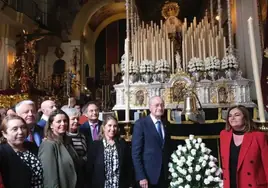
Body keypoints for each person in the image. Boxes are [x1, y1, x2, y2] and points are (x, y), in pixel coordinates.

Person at [220, 105, 268, 188]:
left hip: (253, 184)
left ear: (245, 118)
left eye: (237, 115)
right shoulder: (224, 135)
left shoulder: (258, 136)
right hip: (231, 184)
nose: (232, 118)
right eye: (230, 116)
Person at [132, 96, 170, 188]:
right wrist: (141, 176)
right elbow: (135, 153)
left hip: (164, 175)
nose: (160, 108)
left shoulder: (166, 124)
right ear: (150, 107)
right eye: (157, 105)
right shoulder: (141, 124)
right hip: (148, 177)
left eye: (162, 105)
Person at [85, 115, 131, 188]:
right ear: (104, 127)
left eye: (115, 126)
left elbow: (128, 167)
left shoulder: (122, 144)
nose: (112, 129)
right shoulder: (95, 145)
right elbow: (89, 169)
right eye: (109, 125)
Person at [0, 115, 43, 187]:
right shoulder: (2, 152)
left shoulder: (32, 147)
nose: (20, 132)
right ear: (4, 134)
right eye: (15, 129)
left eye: (23, 127)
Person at [38, 109, 77, 188]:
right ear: (51, 125)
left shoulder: (68, 141)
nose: (63, 124)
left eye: (65, 121)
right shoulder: (48, 145)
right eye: (59, 121)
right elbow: (50, 178)